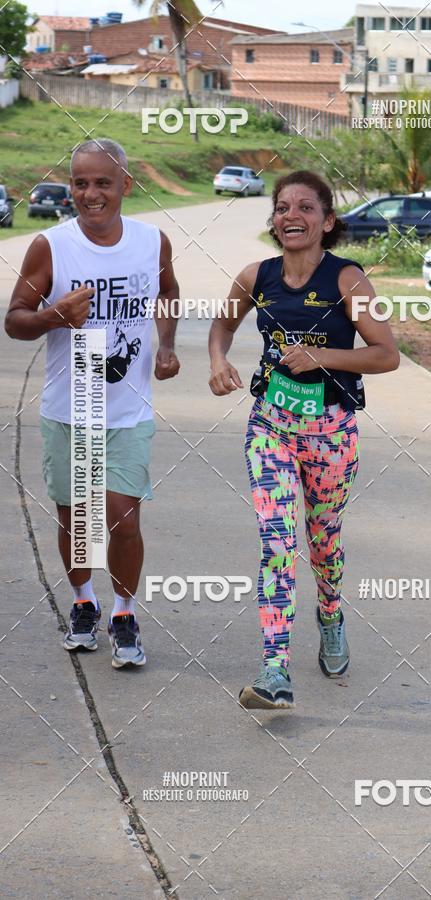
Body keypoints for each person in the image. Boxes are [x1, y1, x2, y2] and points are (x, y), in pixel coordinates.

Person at [208, 170, 399, 710]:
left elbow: (387, 354)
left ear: (327, 221)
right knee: (278, 542)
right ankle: (275, 668)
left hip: (332, 433)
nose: (292, 216)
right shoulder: (256, 276)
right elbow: (222, 325)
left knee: (323, 538)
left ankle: (331, 612)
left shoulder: (349, 281)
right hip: (270, 426)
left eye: (306, 208)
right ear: (273, 221)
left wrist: (324, 356)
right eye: (282, 208)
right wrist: (219, 360)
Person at [4, 139, 180, 668]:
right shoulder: (50, 247)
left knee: (123, 522)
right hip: (68, 409)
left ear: (126, 185)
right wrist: (53, 316)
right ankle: (84, 601)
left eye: (103, 182)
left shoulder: (153, 242)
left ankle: (124, 612)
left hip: (127, 411)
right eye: (80, 183)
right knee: (76, 523)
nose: (90, 193)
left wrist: (166, 345)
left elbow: (169, 292)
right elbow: (14, 319)